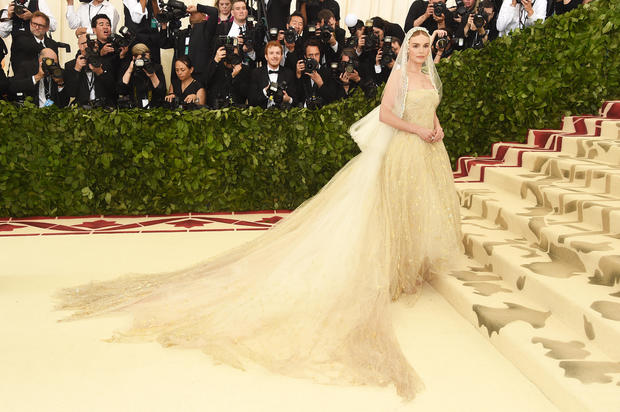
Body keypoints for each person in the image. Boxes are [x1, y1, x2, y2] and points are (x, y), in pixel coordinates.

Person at [56, 27, 462, 400]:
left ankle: (411, 267)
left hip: (428, 148)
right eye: (415, 45)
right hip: (407, 148)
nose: (420, 51)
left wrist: (436, 128)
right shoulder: (400, 77)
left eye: (425, 47)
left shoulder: (429, 76)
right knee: (392, 209)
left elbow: (430, 109)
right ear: (407, 47)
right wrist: (418, 132)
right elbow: (389, 115)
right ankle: (393, 269)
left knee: (417, 207)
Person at [64, 33, 117, 107]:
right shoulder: (70, 65)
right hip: (81, 110)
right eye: (91, 42)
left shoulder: (105, 62)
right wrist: (77, 70)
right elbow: (71, 93)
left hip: (103, 108)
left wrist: (100, 72)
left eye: (96, 42)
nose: (95, 45)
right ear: (81, 46)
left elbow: (113, 90)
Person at [117, 43, 166, 108]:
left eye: (145, 59)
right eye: (140, 60)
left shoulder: (156, 68)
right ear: (134, 57)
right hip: (133, 108)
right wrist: (129, 70)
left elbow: (162, 92)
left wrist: (152, 75)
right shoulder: (128, 68)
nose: (143, 62)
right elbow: (121, 90)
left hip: (153, 107)